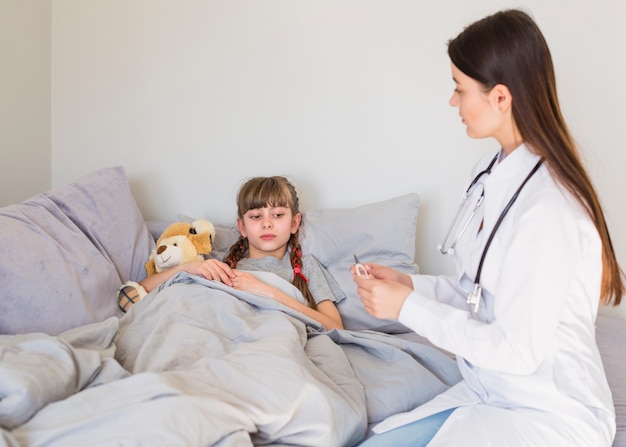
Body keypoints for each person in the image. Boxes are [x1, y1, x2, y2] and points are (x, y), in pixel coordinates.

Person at [353, 8, 623, 447]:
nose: (452, 102)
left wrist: (407, 308)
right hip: (491, 390)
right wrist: (410, 286)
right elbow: (478, 294)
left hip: (548, 412)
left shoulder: (550, 210)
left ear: (500, 97)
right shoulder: (490, 173)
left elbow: (517, 350)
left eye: (459, 89)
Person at [119, 176, 345, 331]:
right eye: (256, 216)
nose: (267, 224)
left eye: (277, 215)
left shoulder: (307, 267)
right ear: (242, 226)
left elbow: (335, 327)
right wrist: (187, 268)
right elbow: (143, 289)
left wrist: (269, 292)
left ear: (295, 222)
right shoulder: (221, 262)